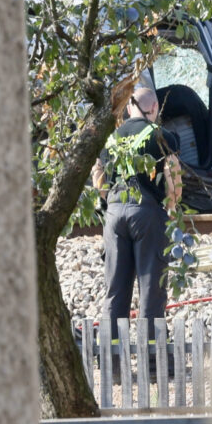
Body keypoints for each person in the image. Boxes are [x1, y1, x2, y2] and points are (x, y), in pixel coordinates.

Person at [91, 87, 182, 341]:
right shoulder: (162, 135)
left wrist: (110, 201)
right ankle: (152, 360)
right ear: (153, 109)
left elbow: (97, 174)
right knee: (151, 288)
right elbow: (173, 179)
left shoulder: (110, 138)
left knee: (115, 290)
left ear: (130, 108)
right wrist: (172, 209)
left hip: (114, 214)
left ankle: (112, 360)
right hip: (147, 212)